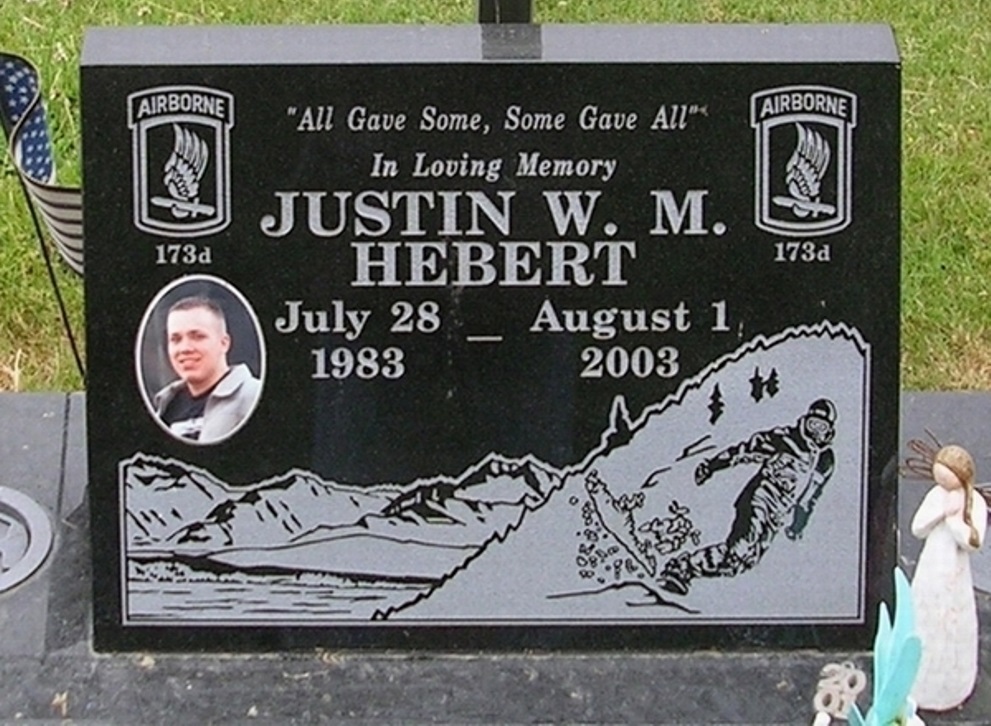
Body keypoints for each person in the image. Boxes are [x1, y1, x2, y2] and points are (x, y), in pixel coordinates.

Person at [658, 398, 837, 595]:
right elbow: (745, 450)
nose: (815, 432)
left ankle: (687, 569)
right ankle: (684, 568)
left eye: (822, 427)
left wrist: (798, 525)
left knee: (742, 563)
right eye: (813, 424)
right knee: (740, 548)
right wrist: (713, 465)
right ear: (805, 421)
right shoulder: (786, 438)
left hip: (777, 514)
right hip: (759, 499)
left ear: (829, 431)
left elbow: (810, 497)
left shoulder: (824, 461)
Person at [909, 444, 986, 712]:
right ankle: (917, 683)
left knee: (951, 625)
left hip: (955, 575)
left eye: (947, 476)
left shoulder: (973, 500)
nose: (940, 481)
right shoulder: (936, 495)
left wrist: (955, 521)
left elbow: (974, 542)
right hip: (930, 569)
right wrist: (940, 511)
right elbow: (917, 527)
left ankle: (952, 686)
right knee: (924, 620)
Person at [152, 296, 261, 443]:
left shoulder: (254, 396)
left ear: (224, 343)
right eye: (176, 339)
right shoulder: (164, 406)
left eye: (197, 337)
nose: (185, 348)